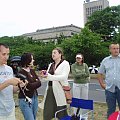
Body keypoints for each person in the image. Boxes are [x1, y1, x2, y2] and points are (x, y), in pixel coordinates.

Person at [40, 47, 70, 120]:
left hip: (60, 91)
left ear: (60, 54)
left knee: (61, 111)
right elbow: (47, 77)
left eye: (54, 53)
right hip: (50, 90)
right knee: (48, 111)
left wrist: (50, 77)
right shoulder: (51, 65)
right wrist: (43, 77)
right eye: (52, 53)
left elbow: (64, 77)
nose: (52, 54)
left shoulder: (65, 64)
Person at [0, 43, 23, 120]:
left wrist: (19, 86)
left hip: (10, 110)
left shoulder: (9, 69)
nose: (6, 57)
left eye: (8, 54)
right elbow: (8, 83)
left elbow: (11, 90)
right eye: (4, 54)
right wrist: (9, 82)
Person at [98, 43, 120, 119]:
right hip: (110, 89)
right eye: (114, 48)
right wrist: (102, 84)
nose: (116, 50)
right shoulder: (105, 60)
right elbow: (100, 73)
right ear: (110, 50)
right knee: (111, 109)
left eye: (117, 48)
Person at [18, 53, 41, 120]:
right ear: (27, 60)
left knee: (34, 117)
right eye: (32, 59)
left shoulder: (32, 70)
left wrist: (32, 84)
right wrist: (35, 82)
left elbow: (39, 83)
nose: (33, 60)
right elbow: (29, 86)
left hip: (35, 97)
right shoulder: (21, 73)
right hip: (25, 99)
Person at [71, 53, 90, 120]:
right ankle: (75, 115)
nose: (78, 59)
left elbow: (87, 74)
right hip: (76, 84)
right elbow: (74, 75)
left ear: (82, 59)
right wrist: (83, 74)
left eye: (79, 58)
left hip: (85, 84)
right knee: (76, 100)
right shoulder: (73, 65)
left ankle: (84, 116)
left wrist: (79, 74)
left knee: (84, 100)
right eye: (77, 58)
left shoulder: (85, 65)